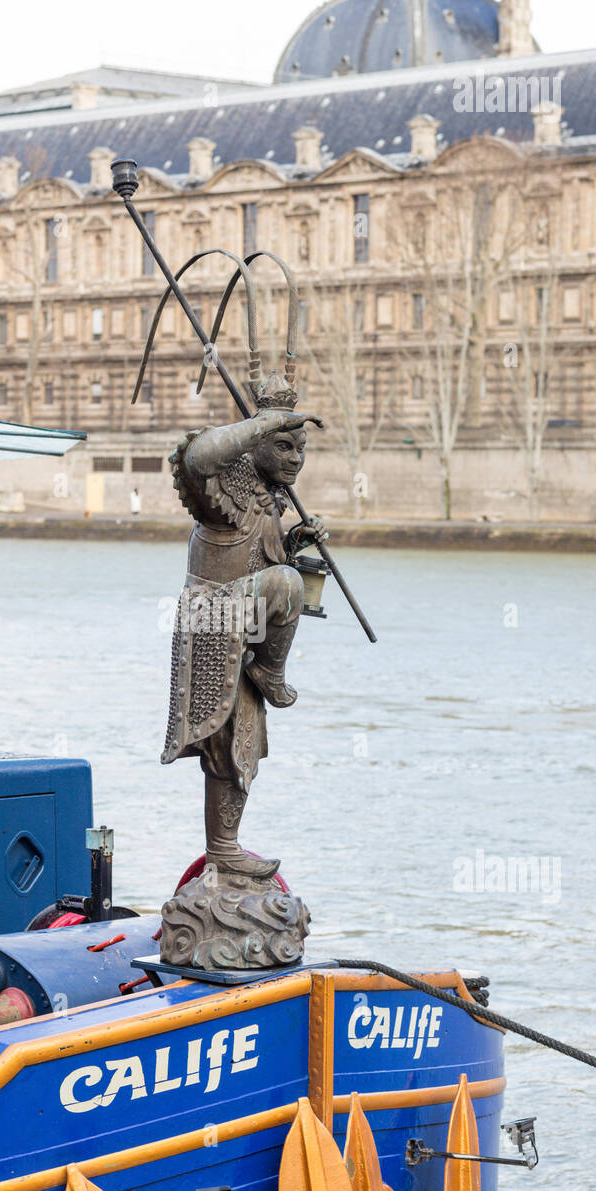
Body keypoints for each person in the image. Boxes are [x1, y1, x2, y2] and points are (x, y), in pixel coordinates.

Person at [162, 369, 325, 879]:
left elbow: (260, 559)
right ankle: (273, 673)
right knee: (288, 585)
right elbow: (196, 455)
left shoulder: (269, 500)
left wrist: (295, 541)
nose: (294, 459)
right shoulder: (222, 492)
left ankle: (225, 846)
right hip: (214, 620)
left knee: (240, 742)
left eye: (300, 449)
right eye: (283, 445)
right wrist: (262, 423)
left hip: (245, 633)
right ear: (255, 443)